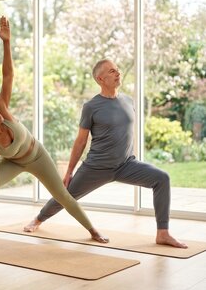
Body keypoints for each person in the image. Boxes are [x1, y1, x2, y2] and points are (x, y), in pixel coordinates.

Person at [0, 16, 108, 249]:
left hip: (37, 155)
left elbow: (8, 76)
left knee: (63, 196)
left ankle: (92, 229)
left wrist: (6, 43)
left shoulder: (3, 110)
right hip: (15, 162)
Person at [24, 59, 188, 249]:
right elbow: (80, 141)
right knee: (66, 196)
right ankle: (38, 219)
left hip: (126, 165)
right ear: (100, 79)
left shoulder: (128, 101)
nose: (118, 73)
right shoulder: (91, 106)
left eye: (118, 69)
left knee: (162, 178)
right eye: (112, 71)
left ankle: (163, 233)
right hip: (96, 167)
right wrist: (70, 170)